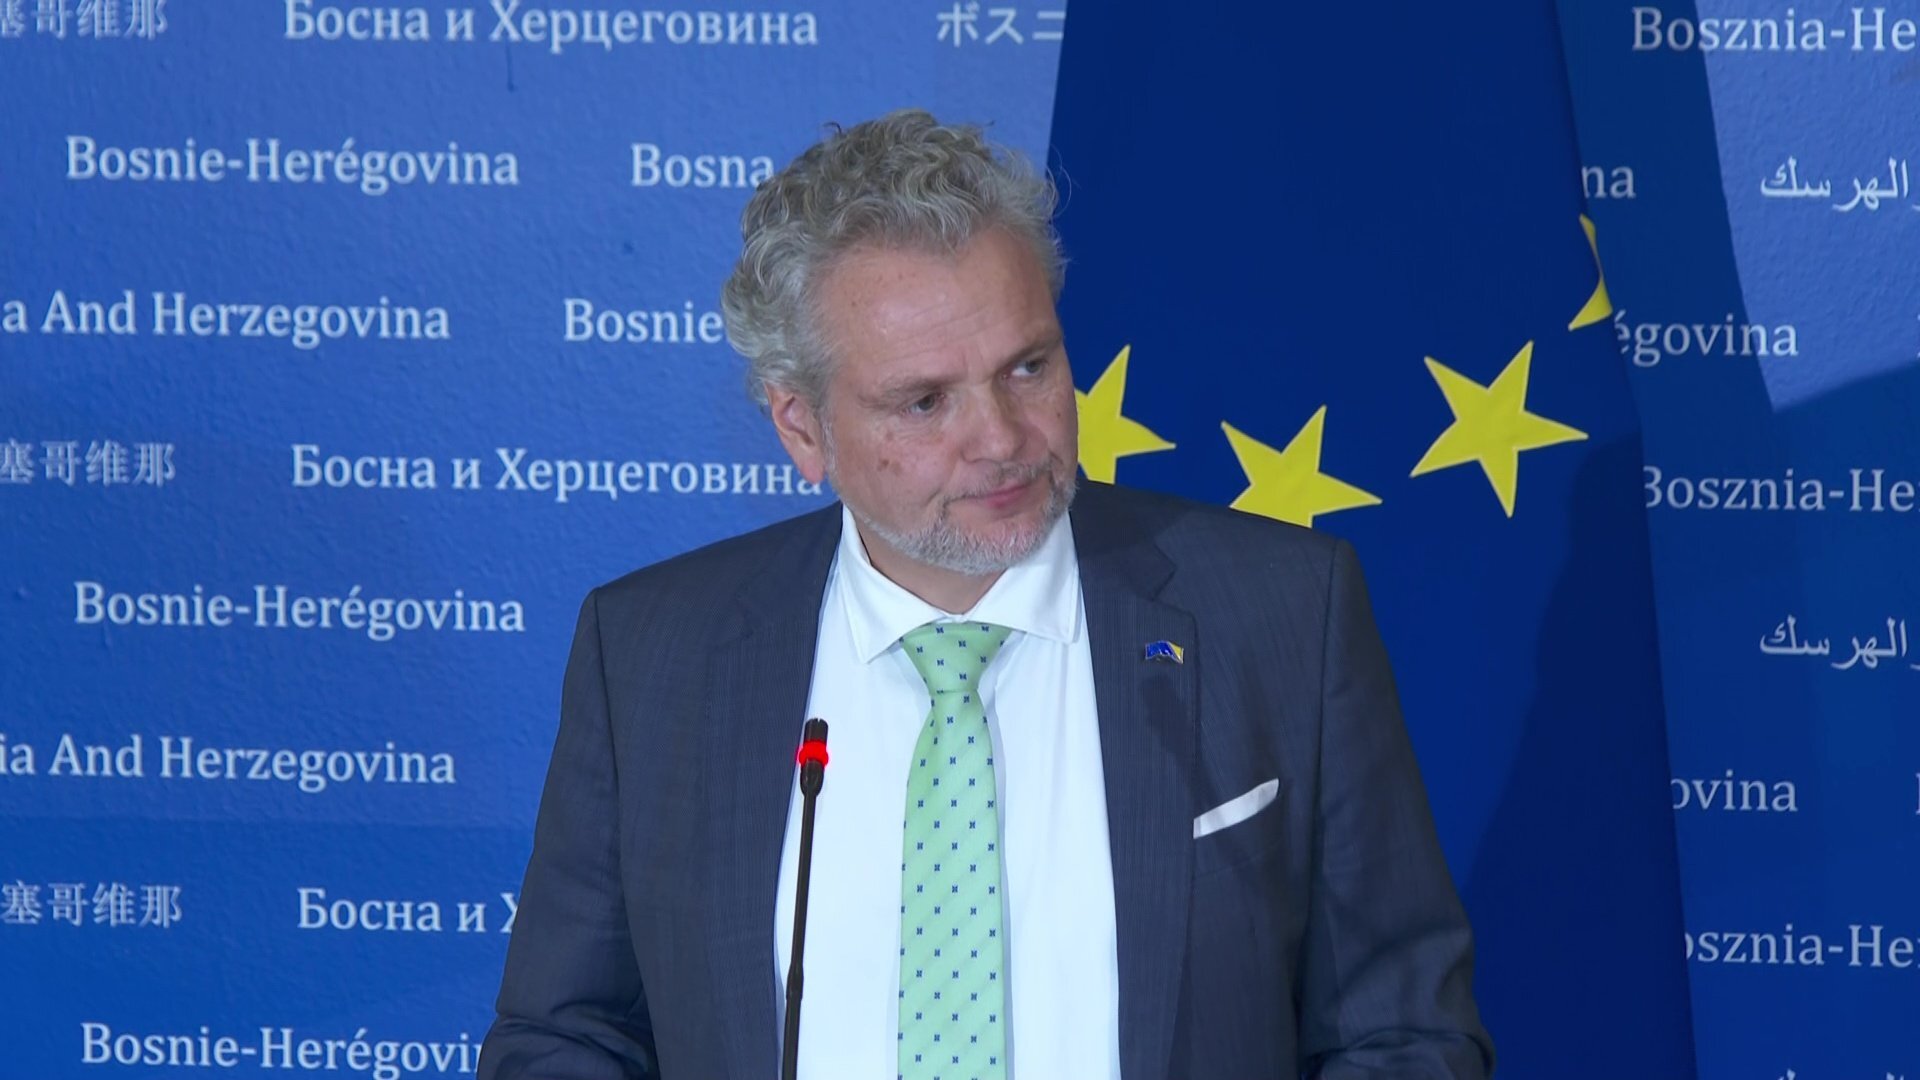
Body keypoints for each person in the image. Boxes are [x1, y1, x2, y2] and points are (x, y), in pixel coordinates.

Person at [479, 109, 1493, 1080]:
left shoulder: (1280, 614)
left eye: (1028, 368)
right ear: (802, 429)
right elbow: (568, 1040)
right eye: (925, 401)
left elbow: (1404, 1034)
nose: (1002, 439)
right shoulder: (652, 656)